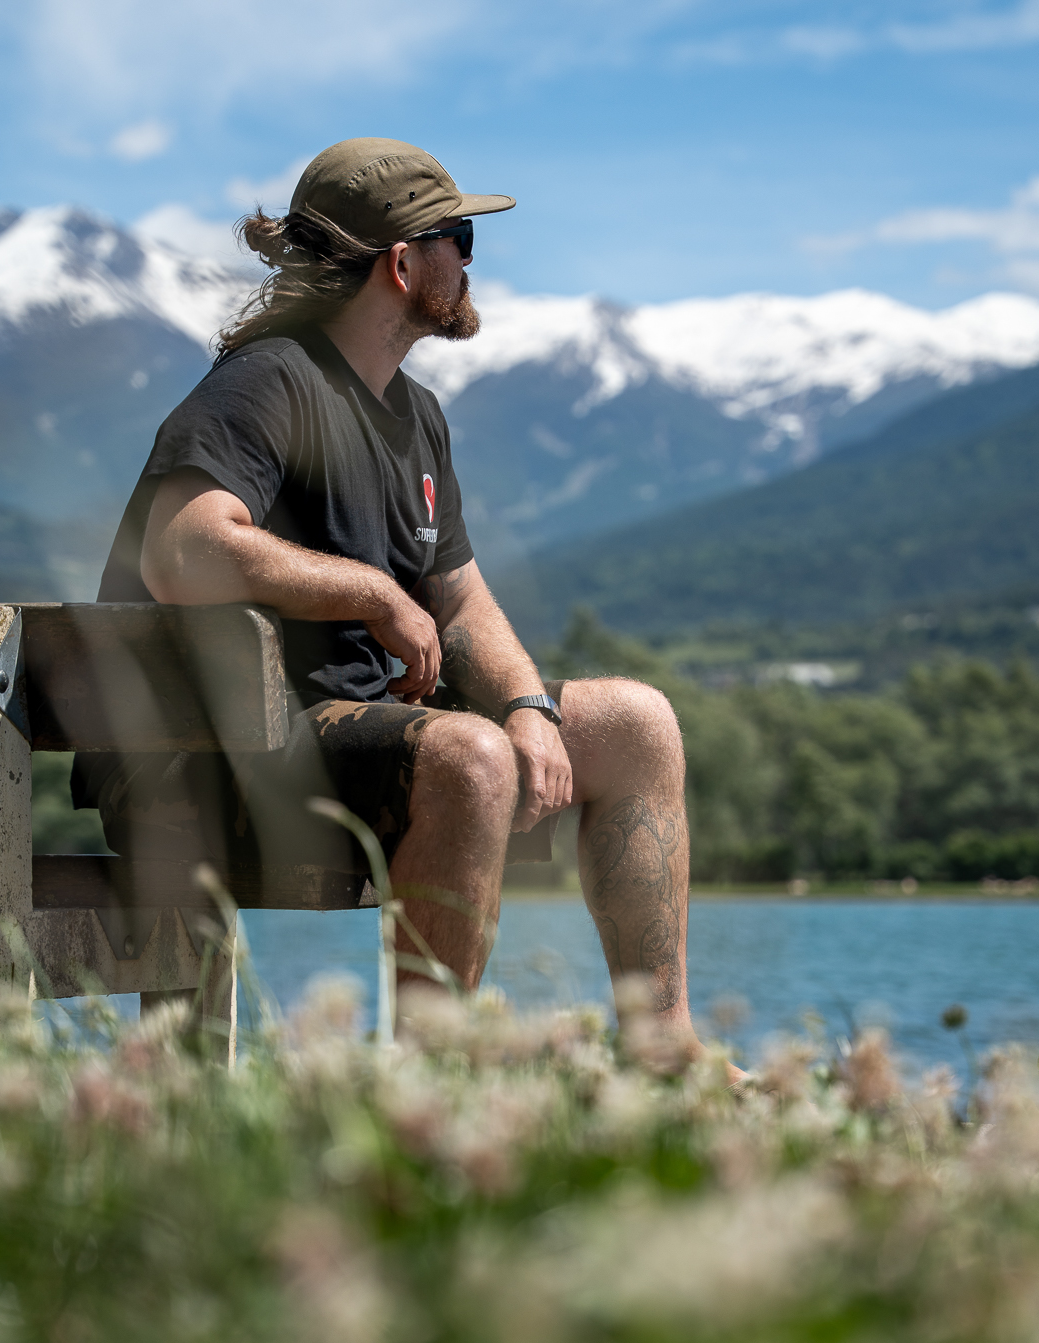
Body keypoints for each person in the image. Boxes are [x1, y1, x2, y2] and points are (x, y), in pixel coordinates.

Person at [73, 137, 715, 1066]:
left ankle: (664, 1055)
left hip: (348, 728)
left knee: (636, 723)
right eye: (457, 236)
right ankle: (426, 1086)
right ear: (403, 264)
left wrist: (529, 708)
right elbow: (185, 549)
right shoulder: (267, 380)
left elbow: (457, 601)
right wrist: (370, 589)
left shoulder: (415, 414)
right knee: (469, 758)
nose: (468, 260)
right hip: (213, 757)